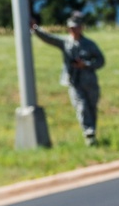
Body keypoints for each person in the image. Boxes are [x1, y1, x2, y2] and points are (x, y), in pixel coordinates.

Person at [31, 11, 106, 146]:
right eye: (70, 28)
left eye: (75, 27)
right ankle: (88, 132)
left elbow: (101, 61)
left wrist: (86, 64)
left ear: (81, 28)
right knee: (81, 107)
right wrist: (35, 29)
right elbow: (49, 38)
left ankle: (92, 132)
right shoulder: (65, 42)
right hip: (74, 81)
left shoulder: (89, 44)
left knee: (91, 108)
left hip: (89, 82)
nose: (73, 30)